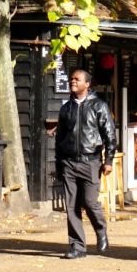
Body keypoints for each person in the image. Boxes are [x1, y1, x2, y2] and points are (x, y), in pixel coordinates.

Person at [54, 68, 116, 259]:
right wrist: (59, 164)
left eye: (77, 79)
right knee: (71, 206)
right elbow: (59, 138)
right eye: (71, 79)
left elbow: (110, 135)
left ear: (87, 84)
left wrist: (108, 160)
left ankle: (100, 230)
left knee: (89, 202)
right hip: (69, 163)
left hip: (91, 161)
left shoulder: (99, 106)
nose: (73, 81)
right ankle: (77, 246)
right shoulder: (66, 108)